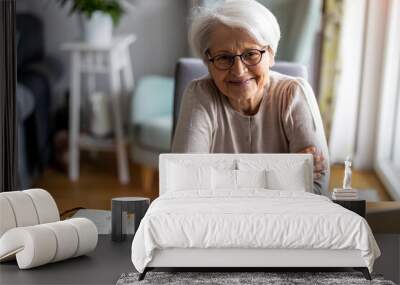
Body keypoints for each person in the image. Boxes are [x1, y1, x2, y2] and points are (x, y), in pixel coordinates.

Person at [171, 0, 329, 195]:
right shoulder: (200, 95)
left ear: (270, 54)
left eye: (251, 54)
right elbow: (184, 185)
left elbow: (316, 189)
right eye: (224, 57)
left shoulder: (293, 93)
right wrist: (285, 174)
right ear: (208, 62)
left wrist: (220, 178)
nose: (239, 71)